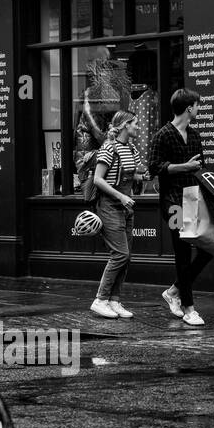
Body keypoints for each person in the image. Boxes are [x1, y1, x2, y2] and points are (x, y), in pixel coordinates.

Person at [149, 88, 211, 326]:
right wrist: (183, 166)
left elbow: (199, 170)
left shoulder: (195, 136)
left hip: (194, 199)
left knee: (209, 248)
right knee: (183, 252)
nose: (198, 109)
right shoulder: (163, 135)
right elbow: (154, 167)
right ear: (188, 108)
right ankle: (189, 309)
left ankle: (174, 291)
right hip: (173, 203)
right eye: (197, 106)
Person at [89, 111, 141, 320]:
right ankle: (100, 300)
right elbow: (98, 180)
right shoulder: (109, 148)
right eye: (135, 124)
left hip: (126, 206)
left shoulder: (132, 148)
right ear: (125, 125)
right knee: (120, 254)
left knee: (126, 256)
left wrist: (144, 175)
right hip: (110, 205)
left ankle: (114, 301)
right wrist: (121, 196)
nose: (138, 127)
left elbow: (131, 174)